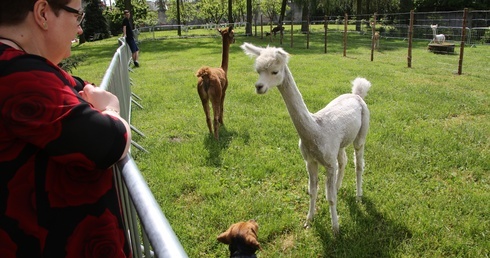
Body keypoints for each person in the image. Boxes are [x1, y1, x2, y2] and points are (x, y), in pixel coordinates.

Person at [0, 0, 132, 257]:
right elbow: (109, 140)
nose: (80, 29)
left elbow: (79, 85)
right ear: (42, 13)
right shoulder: (17, 76)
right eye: (77, 16)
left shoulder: (26, 67)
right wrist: (112, 109)